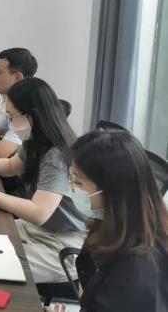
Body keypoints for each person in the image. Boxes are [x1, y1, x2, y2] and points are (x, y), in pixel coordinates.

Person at [0, 77, 86, 284]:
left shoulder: (57, 155)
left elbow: (39, 213)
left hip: (61, 245)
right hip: (38, 230)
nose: (9, 122)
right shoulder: (36, 140)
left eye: (12, 116)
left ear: (33, 115)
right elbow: (11, 166)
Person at [65, 130, 168, 311]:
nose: (72, 187)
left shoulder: (134, 276)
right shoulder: (115, 226)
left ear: (111, 192)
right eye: (71, 177)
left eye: (78, 182)